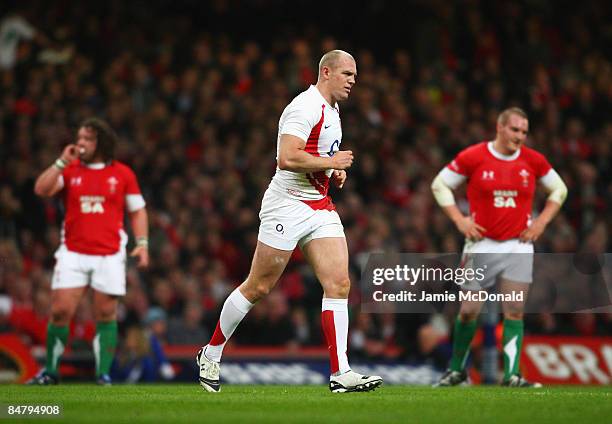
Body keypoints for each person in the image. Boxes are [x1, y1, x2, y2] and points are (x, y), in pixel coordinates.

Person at [196, 50, 383, 393]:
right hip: (286, 206)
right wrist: (331, 160)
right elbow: (286, 157)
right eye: (347, 74)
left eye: (355, 75)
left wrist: (331, 170)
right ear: (326, 72)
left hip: (319, 206)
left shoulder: (333, 110)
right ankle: (211, 352)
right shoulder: (304, 106)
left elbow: (312, 157)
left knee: (339, 283)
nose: (353, 80)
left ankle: (341, 372)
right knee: (259, 287)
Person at [430, 107, 567, 387]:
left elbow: (559, 190)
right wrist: (459, 220)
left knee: (514, 310)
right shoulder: (474, 156)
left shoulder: (533, 160)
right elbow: (440, 185)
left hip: (518, 245)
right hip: (480, 244)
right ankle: (456, 370)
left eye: (524, 132)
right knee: (469, 310)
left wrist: (540, 223)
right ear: (500, 127)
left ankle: (512, 375)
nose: (520, 136)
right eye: (515, 130)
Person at [28, 117, 149, 385]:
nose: (80, 143)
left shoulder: (122, 174)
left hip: (109, 254)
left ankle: (102, 374)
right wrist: (61, 161)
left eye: (87, 139)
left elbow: (137, 210)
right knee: (60, 311)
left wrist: (142, 243)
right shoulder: (70, 171)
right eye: (79, 137)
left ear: (102, 143)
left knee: (105, 314)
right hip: (73, 253)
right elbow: (41, 189)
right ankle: (50, 371)